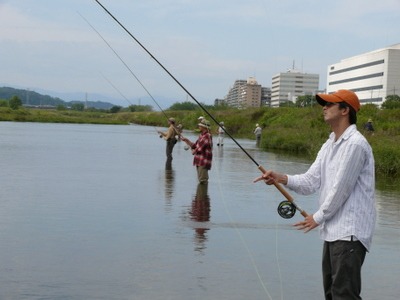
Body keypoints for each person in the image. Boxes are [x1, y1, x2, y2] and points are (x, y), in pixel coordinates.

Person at [254, 89, 376, 300]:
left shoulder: (355, 144)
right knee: (331, 293)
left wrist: (317, 218)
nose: (324, 108)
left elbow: (341, 189)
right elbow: (310, 181)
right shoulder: (330, 144)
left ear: (345, 110)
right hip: (333, 232)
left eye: (330, 104)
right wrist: (280, 178)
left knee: (344, 294)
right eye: (324, 104)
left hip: (350, 233)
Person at [181, 119, 213, 184]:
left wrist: (194, 151)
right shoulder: (201, 135)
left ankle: (203, 193)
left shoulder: (207, 135)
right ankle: (200, 194)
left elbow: (199, 149)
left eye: (200, 126)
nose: (199, 126)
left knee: (203, 180)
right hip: (199, 160)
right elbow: (195, 145)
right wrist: (187, 140)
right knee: (201, 179)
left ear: (204, 127)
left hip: (203, 161)